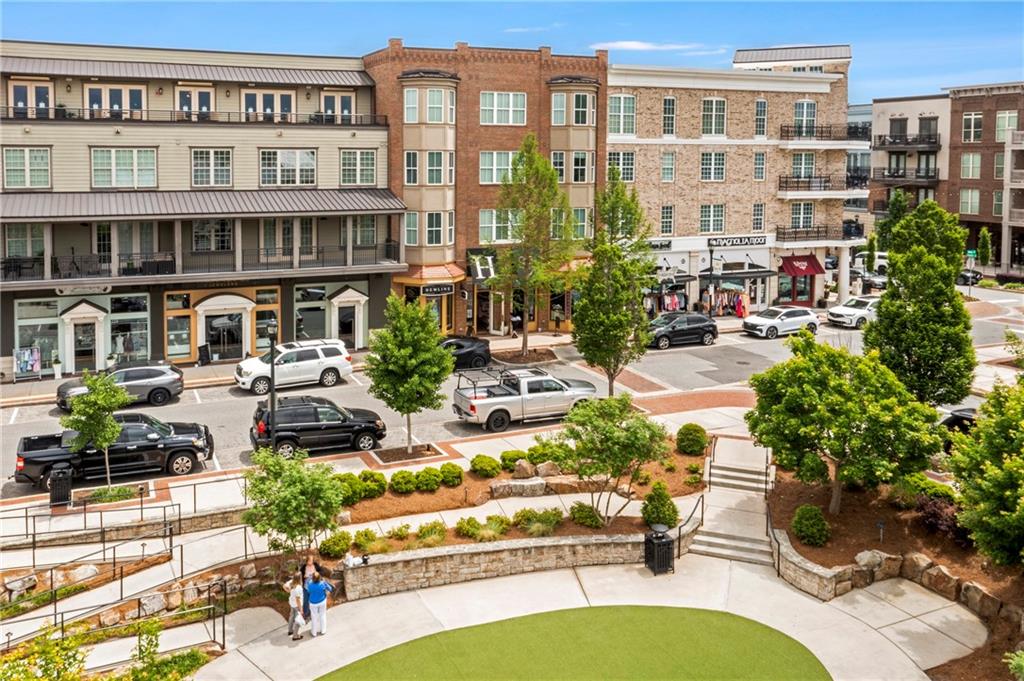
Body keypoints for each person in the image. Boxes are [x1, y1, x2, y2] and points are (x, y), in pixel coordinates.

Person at [306, 572, 334, 637]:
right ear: (319, 577)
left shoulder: (309, 584)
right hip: (322, 601)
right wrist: (327, 593)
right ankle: (323, 630)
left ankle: (314, 632)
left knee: (314, 617)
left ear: (312, 578)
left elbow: (308, 591)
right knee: (322, 615)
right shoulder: (323, 583)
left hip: (313, 602)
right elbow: (330, 588)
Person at [301, 554, 327, 620]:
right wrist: (304, 576)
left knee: (314, 600)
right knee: (306, 600)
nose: (311, 562)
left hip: (314, 585)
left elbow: (322, 571)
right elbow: (300, 575)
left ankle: (315, 613)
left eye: (312, 561)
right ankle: (305, 614)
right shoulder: (304, 567)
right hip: (306, 586)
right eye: (309, 561)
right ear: (307, 561)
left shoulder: (315, 565)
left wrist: (315, 574)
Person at [286, 576, 305, 641]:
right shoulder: (298, 588)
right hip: (297, 606)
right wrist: (301, 609)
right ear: (299, 579)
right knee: (298, 620)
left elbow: (284, 586)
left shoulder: (291, 584)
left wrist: (288, 591)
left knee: (291, 617)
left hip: (292, 604)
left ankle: (290, 631)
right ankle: (295, 636)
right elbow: (298, 600)